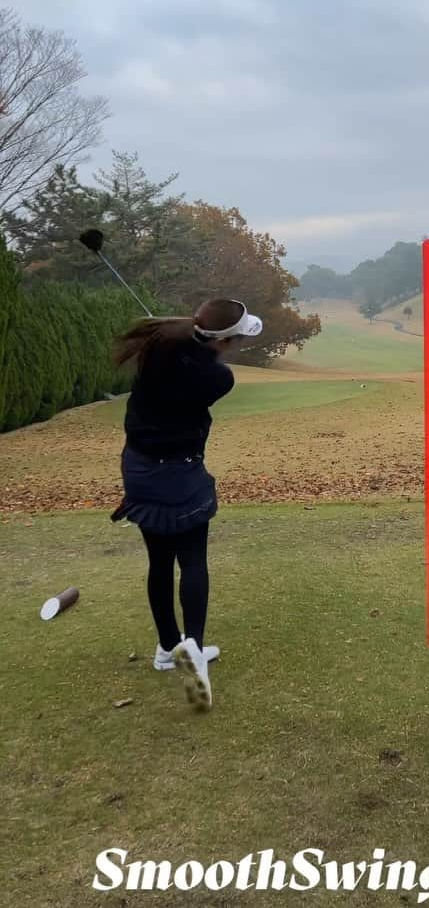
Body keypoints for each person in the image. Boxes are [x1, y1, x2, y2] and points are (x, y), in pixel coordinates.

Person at [111, 298, 262, 711]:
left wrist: (193, 338)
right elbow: (199, 360)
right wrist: (200, 346)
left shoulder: (159, 345)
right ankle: (191, 648)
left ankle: (167, 649)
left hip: (138, 468)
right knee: (193, 560)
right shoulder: (218, 377)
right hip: (180, 472)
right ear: (225, 341)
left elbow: (182, 339)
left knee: (159, 561)